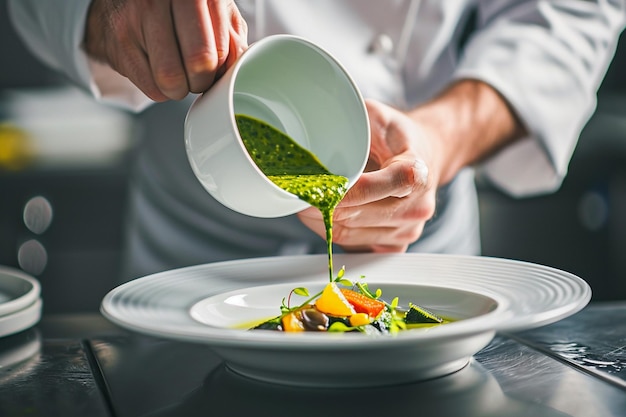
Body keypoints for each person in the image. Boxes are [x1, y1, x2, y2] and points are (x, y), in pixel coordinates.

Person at [7, 0, 626, 282]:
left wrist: (439, 138)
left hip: (418, 248)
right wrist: (102, 12)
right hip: (192, 256)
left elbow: (571, 12)